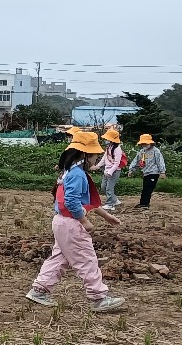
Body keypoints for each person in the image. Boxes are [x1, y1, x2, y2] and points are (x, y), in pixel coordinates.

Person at [24, 132, 126, 312]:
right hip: (71, 224)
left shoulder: (69, 170)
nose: (96, 159)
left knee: (59, 258)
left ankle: (39, 290)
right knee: (86, 259)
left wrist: (106, 216)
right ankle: (98, 298)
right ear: (85, 155)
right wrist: (84, 221)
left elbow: (84, 201)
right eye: (94, 156)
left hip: (61, 222)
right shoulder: (78, 174)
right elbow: (72, 201)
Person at [127, 134, 166, 211]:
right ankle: (142, 203)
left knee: (148, 188)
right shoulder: (142, 151)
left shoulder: (155, 151)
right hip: (146, 173)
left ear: (150, 143)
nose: (144, 145)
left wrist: (162, 172)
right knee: (145, 188)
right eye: (143, 143)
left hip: (154, 173)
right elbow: (136, 161)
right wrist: (131, 169)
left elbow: (160, 161)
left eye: (145, 143)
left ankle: (145, 204)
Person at [96, 128, 125, 210]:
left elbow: (117, 163)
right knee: (103, 187)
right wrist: (98, 166)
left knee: (109, 188)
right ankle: (115, 200)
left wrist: (110, 172)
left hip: (114, 171)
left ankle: (110, 204)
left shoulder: (117, 149)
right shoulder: (109, 147)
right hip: (107, 170)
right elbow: (104, 158)